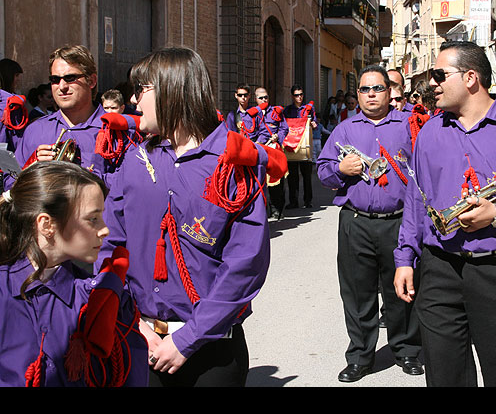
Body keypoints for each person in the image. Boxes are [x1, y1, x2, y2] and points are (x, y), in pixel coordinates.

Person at [96, 47, 284, 387]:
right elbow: (109, 245)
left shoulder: (231, 166)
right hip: (140, 343)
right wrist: (133, 323)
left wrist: (186, 340)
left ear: (171, 89)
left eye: (142, 90)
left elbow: (245, 265)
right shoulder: (135, 162)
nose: (135, 102)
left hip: (212, 352)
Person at [394, 41, 496, 387]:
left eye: (440, 75)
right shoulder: (427, 132)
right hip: (440, 267)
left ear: (471, 78)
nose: (432, 84)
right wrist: (405, 258)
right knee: (444, 374)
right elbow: (415, 199)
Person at [318, 64, 423, 383]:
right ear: (358, 94)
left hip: (399, 222)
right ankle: (361, 356)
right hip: (356, 223)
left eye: (378, 88)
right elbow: (323, 171)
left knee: (402, 290)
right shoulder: (345, 129)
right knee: (357, 291)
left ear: (390, 92)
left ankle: (406, 349)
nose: (371, 94)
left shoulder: (409, 125)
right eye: (365, 89)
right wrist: (340, 168)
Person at [0, 161, 148, 387]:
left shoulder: (103, 298)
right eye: (92, 219)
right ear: (47, 224)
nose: (105, 229)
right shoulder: (3, 292)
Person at [11, 45, 138, 190]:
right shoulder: (35, 130)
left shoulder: (122, 132)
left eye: (70, 78)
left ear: (91, 81)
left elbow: (132, 189)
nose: (62, 86)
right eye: (55, 80)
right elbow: (13, 187)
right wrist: (32, 169)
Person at [255, 86, 289, 220]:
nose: (264, 100)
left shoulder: (276, 112)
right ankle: (264, 210)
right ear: (256, 99)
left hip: (274, 148)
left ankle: (277, 210)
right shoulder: (252, 114)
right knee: (261, 181)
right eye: (261, 98)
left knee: (276, 180)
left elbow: (284, 128)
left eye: (266, 97)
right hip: (259, 149)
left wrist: (278, 137)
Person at [283, 85, 316, 209]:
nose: (299, 97)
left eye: (301, 94)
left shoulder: (308, 110)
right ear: (292, 96)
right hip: (291, 147)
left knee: (307, 176)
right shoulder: (287, 110)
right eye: (297, 95)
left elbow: (315, 123)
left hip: (304, 146)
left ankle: (308, 201)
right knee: (292, 177)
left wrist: (314, 124)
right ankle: (293, 201)